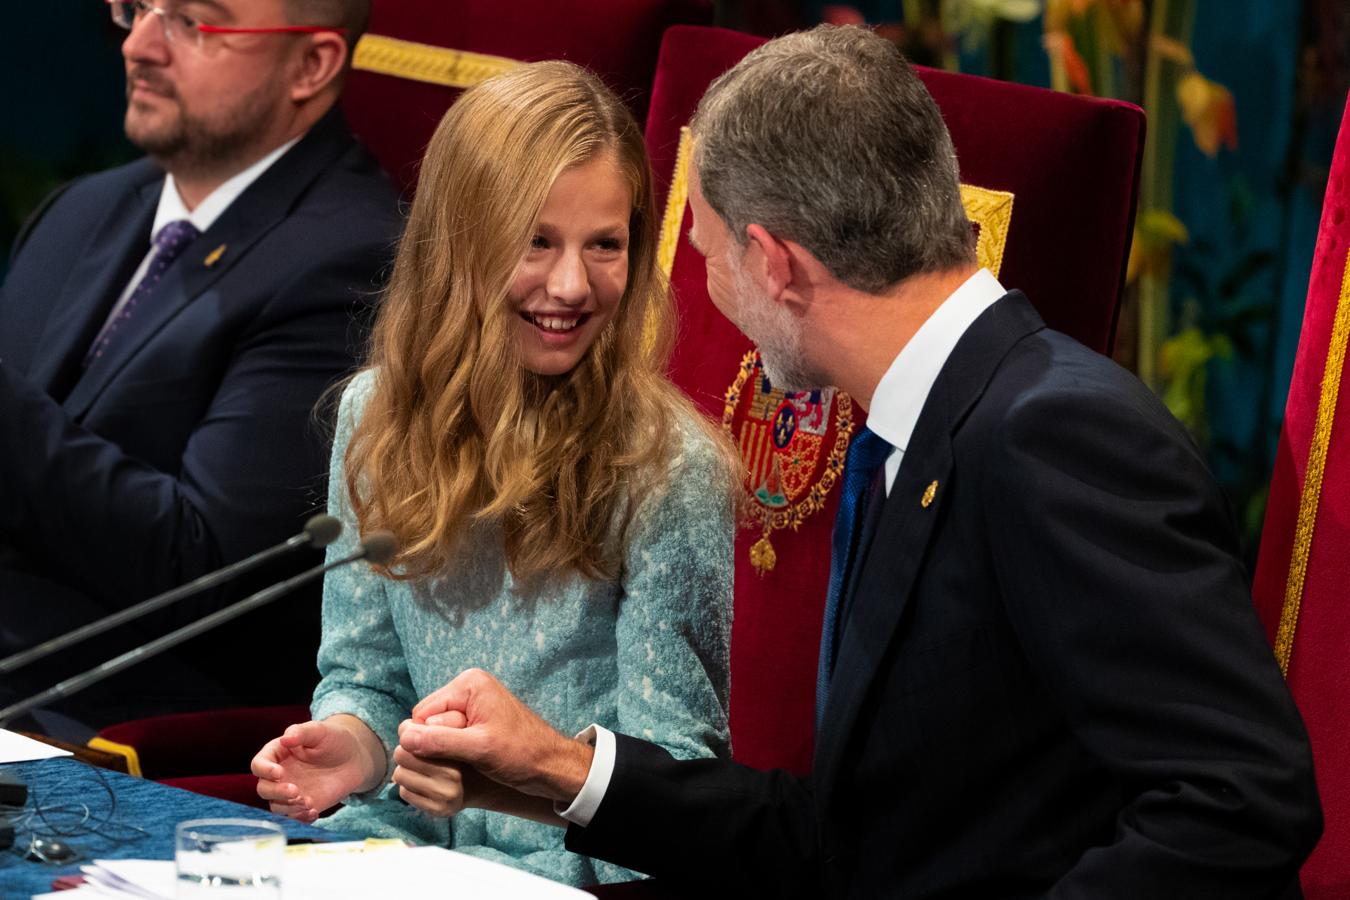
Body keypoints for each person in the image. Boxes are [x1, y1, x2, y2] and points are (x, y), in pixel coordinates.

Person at [390, 25, 1324, 899]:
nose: (710, 296)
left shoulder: (1057, 435)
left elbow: (1239, 801)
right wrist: (558, 771)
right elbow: (854, 840)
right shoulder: (920, 428)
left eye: (709, 256)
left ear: (775, 263)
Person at [249, 61, 737, 887]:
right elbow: (367, 677)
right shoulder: (374, 417)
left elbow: (671, 786)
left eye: (605, 245)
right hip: (392, 857)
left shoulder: (667, 468)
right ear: (459, 242)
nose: (572, 285)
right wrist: (352, 748)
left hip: (565, 878)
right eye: (535, 241)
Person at [0, 0, 400, 723]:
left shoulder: (354, 259)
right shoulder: (82, 209)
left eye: (194, 21)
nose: (140, 46)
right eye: (137, 7)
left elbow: (208, 571)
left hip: (113, 733)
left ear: (311, 65)